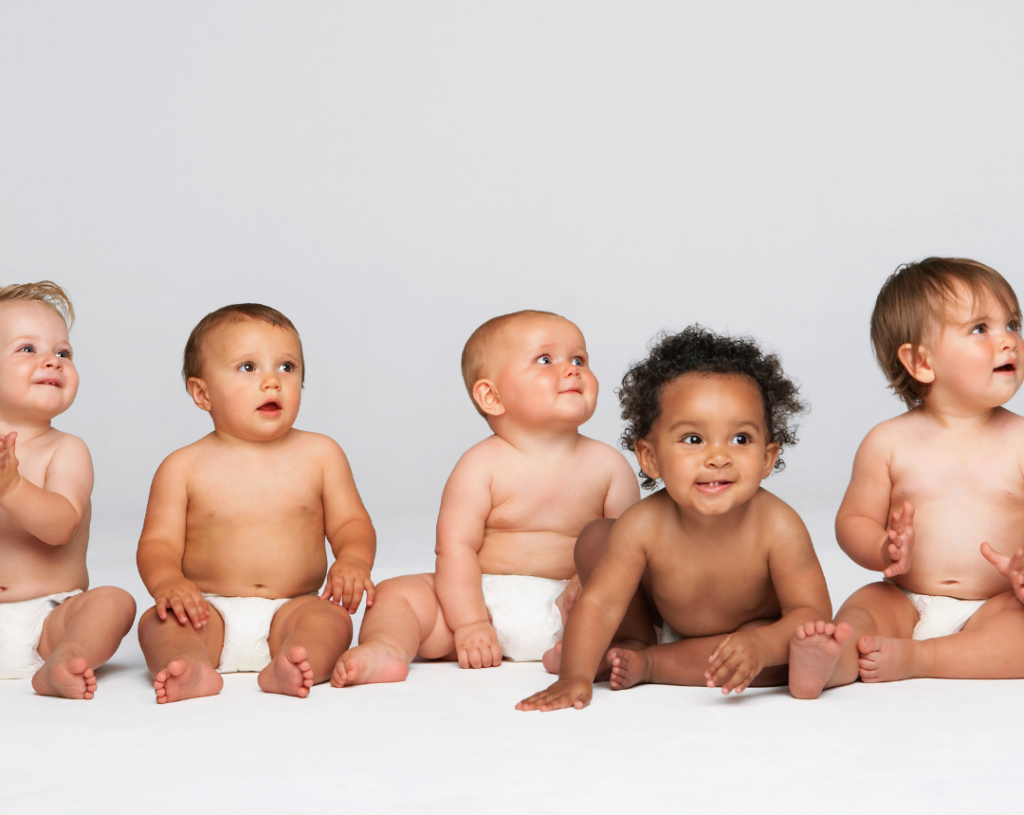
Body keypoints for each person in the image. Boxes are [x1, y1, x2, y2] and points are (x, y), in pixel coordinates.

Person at [517, 325, 831, 712]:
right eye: (694, 439)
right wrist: (574, 678)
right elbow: (600, 604)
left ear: (767, 458)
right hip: (660, 615)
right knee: (599, 536)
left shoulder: (779, 526)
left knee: (779, 658)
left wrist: (762, 646)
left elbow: (812, 614)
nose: (718, 457)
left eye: (740, 439)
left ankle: (650, 662)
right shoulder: (644, 524)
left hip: (738, 640)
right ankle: (632, 641)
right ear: (650, 458)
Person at [332, 310, 639, 686]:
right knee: (397, 595)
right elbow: (455, 549)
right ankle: (387, 649)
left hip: (573, 604)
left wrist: (587, 582)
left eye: (579, 359)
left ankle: (584, 653)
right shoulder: (480, 465)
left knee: (626, 606)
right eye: (546, 359)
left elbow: (629, 546)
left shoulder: (608, 465)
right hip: (484, 600)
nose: (572, 369)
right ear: (491, 396)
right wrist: (470, 623)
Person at [789, 257, 1024, 697]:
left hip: (997, 602)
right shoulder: (888, 442)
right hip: (905, 596)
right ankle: (827, 661)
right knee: (863, 610)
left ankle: (922, 659)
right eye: (980, 329)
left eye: (1013, 324)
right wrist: (883, 548)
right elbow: (853, 521)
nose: (1009, 341)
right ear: (920, 362)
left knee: (1020, 633)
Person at [136, 303, 375, 702]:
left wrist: (353, 560)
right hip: (206, 610)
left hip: (294, 608)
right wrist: (168, 583)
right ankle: (190, 665)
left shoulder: (321, 454)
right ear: (202, 392)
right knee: (158, 624)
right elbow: (157, 544)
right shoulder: (182, 467)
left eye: (287, 367)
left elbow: (352, 523)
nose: (272, 382)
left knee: (332, 620)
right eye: (248, 368)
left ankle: (294, 664)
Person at [0, 281, 136, 698]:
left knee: (112, 602)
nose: (52, 361)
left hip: (49, 619)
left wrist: (12, 486)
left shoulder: (66, 449)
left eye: (63, 353)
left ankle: (68, 656)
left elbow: (61, 526)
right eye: (27, 349)